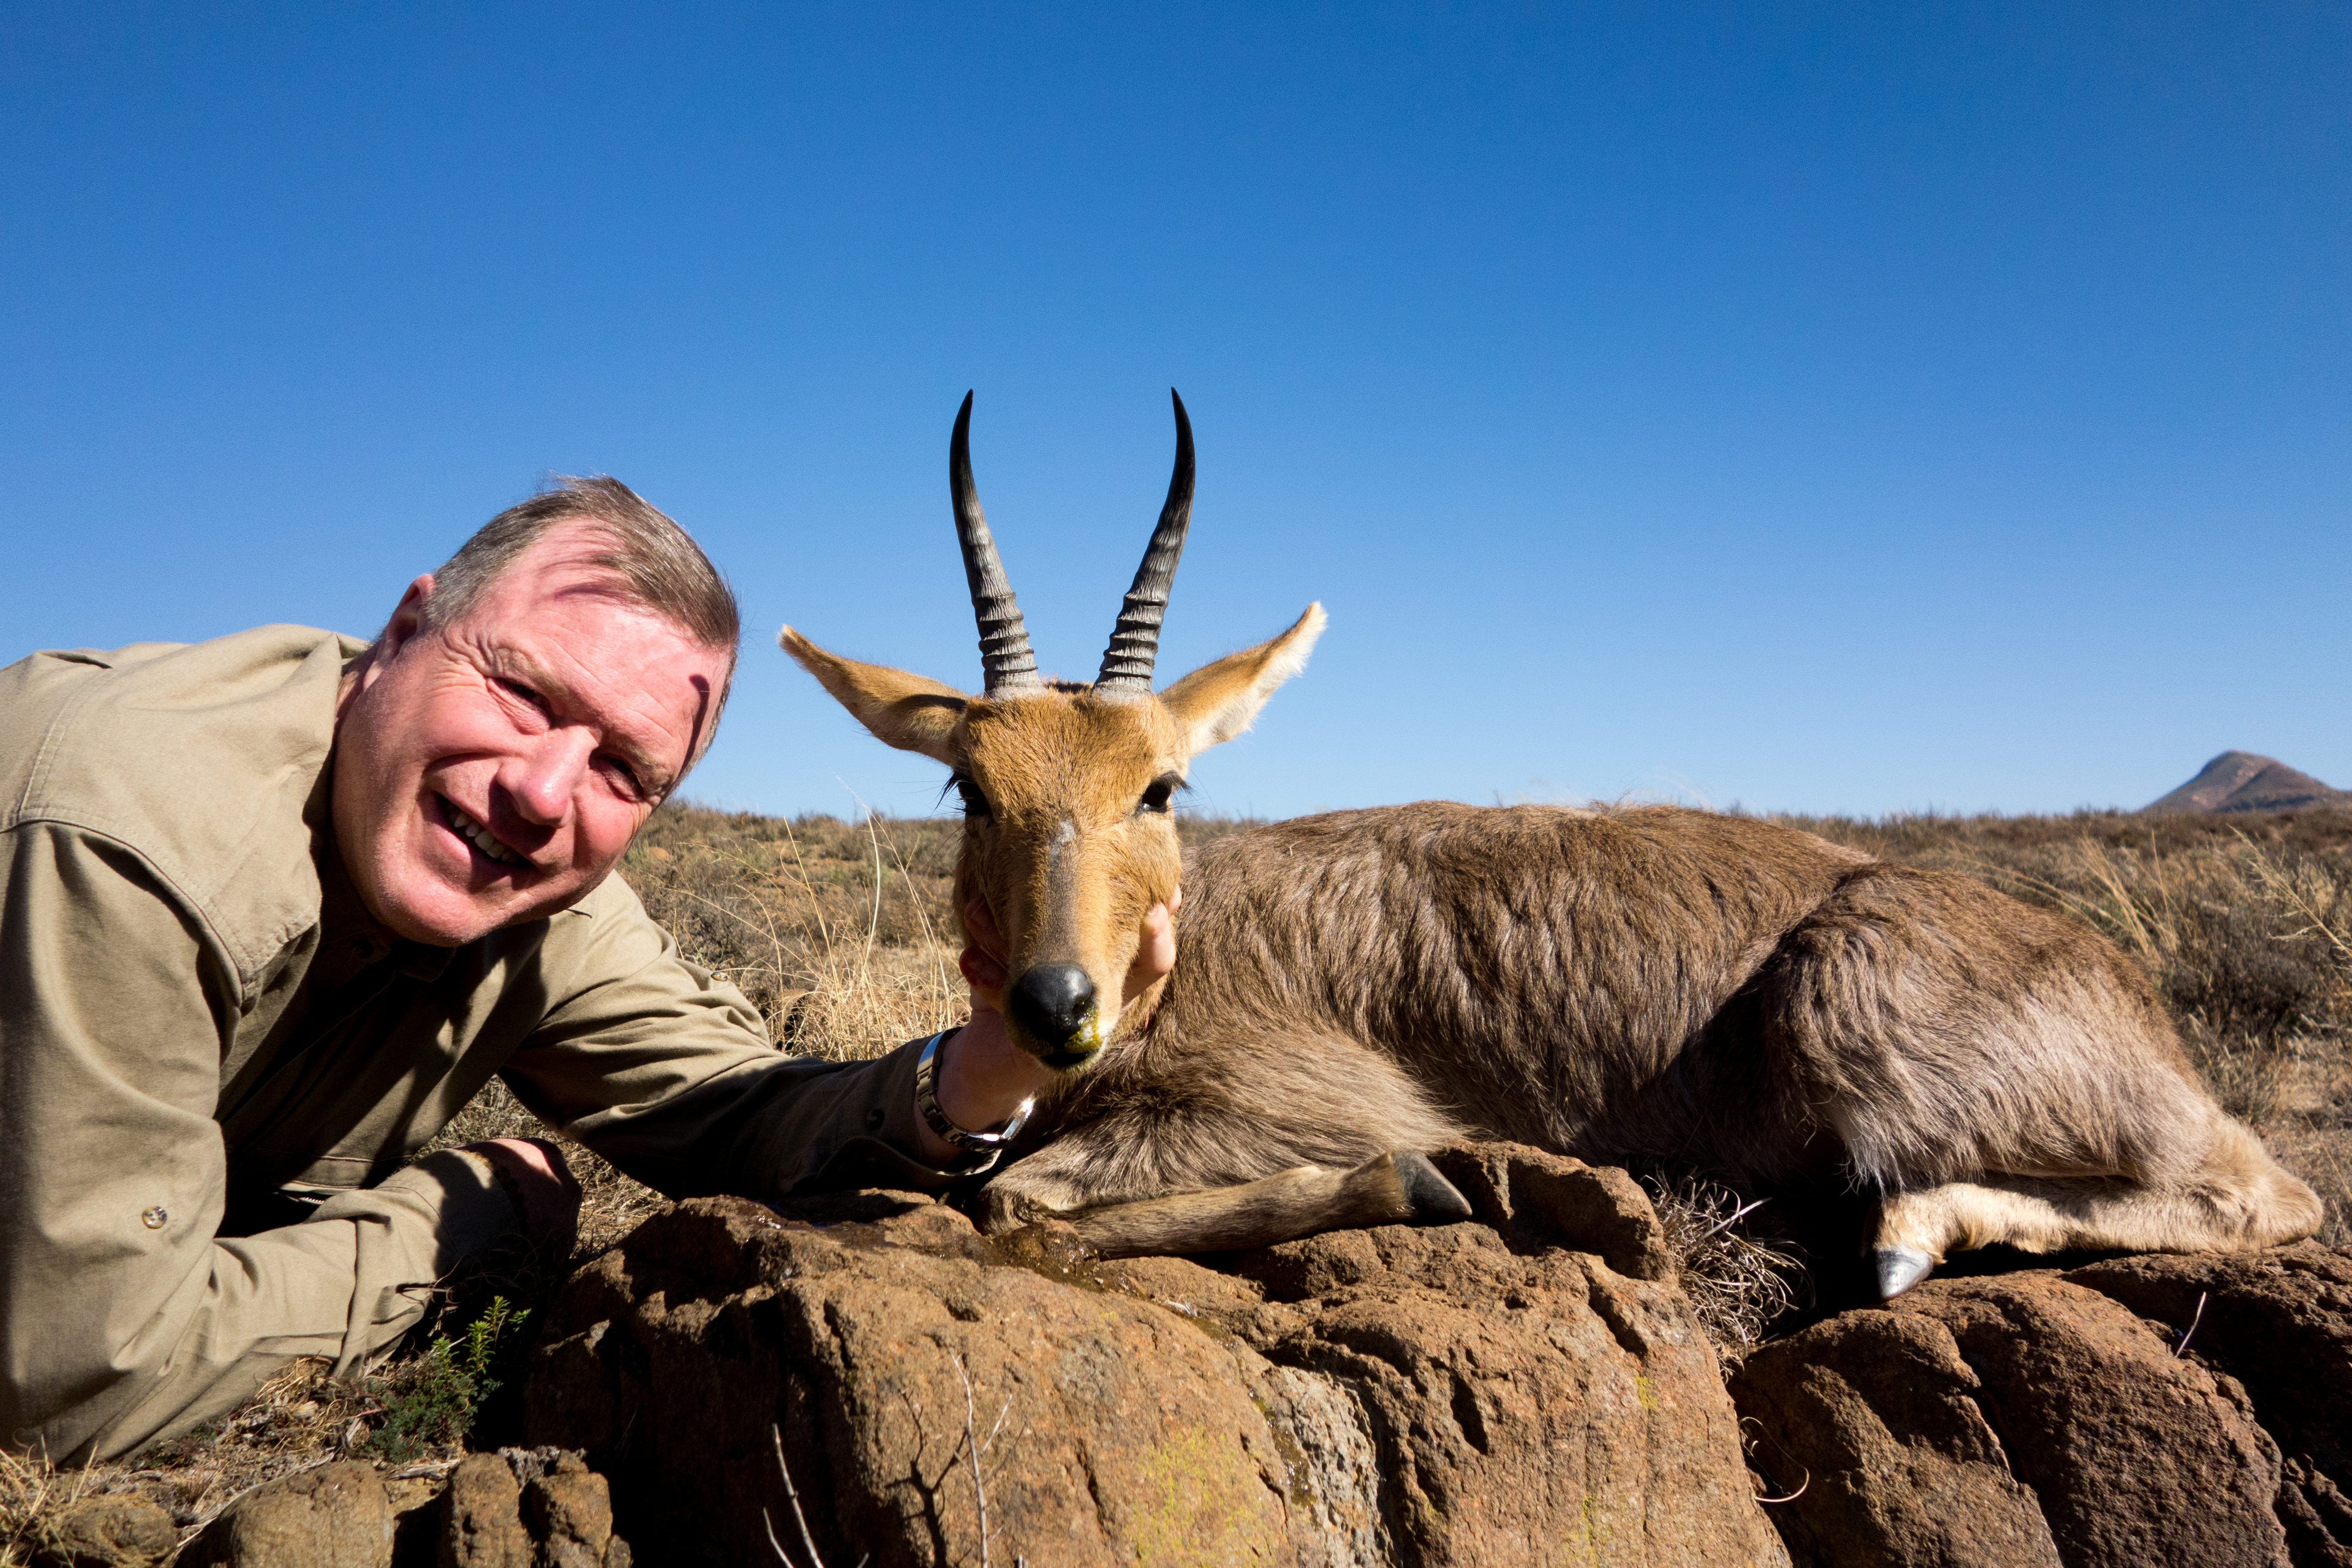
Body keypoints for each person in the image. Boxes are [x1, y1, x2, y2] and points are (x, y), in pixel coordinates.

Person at [0, 477, 1175, 1463]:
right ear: (405, 627)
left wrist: (983, 1065)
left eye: (625, 766)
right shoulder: (138, 838)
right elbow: (73, 1375)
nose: (544, 788)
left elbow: (738, 1115)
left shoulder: (526, 880)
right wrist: (467, 1227)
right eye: (522, 691)